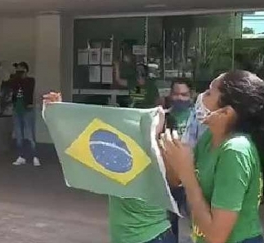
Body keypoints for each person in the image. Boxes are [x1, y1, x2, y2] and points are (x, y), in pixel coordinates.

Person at [161, 70, 264, 243]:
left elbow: (217, 236)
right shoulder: (209, 137)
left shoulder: (235, 151)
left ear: (226, 112)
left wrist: (186, 173)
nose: (201, 97)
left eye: (210, 93)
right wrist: (170, 154)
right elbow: (177, 179)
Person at [43, 91, 175, 243]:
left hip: (154, 236)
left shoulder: (166, 154)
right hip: (125, 237)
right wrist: (57, 111)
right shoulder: (119, 153)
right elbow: (75, 142)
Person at [165, 78, 194, 242]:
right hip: (170, 178)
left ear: (191, 95)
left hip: (193, 179)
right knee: (169, 223)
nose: (179, 98)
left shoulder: (199, 118)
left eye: (184, 94)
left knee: (198, 224)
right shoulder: (163, 117)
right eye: (176, 94)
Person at [9, 62, 40, 167]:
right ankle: (21, 156)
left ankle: (35, 156)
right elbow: (10, 85)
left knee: (30, 134)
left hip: (27, 109)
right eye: (17, 70)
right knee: (19, 135)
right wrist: (15, 77)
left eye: (21, 70)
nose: (18, 72)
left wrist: (21, 77)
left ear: (26, 70)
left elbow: (27, 87)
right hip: (17, 110)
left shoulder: (30, 80)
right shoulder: (15, 81)